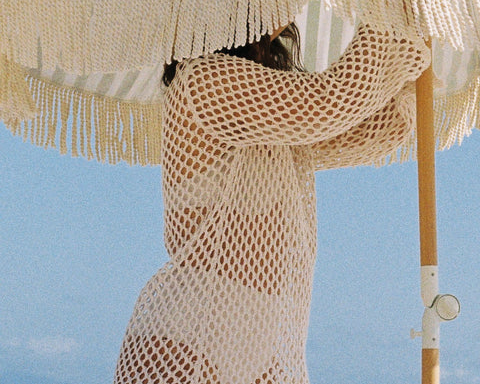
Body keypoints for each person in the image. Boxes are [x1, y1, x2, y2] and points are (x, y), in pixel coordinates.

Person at [113, 23, 430, 384]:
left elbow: (375, 132)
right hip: (190, 331)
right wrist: (387, 10)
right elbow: (330, 103)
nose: (289, 9)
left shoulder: (264, 117)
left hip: (265, 340)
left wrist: (413, 75)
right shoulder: (201, 82)